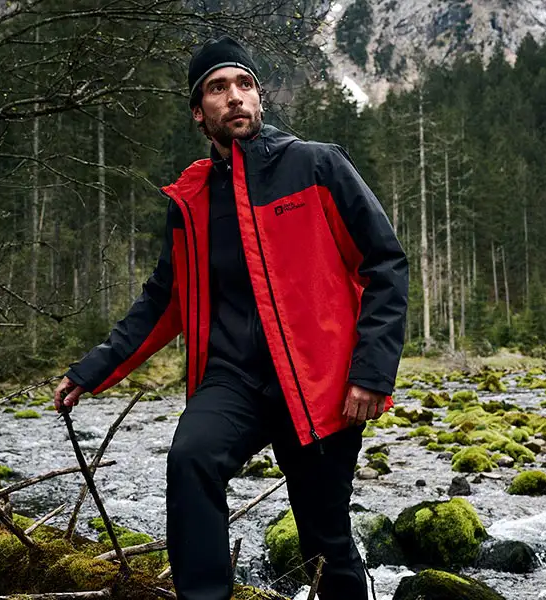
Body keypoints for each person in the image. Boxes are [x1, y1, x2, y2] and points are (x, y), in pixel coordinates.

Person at [54, 35, 409, 600]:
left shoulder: (316, 165)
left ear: (259, 99)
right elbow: (163, 301)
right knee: (190, 460)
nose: (235, 97)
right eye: (218, 89)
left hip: (319, 383)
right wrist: (93, 370)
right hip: (233, 380)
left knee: (325, 539)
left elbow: (385, 265)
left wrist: (371, 372)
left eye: (244, 85)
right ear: (200, 112)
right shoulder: (190, 200)